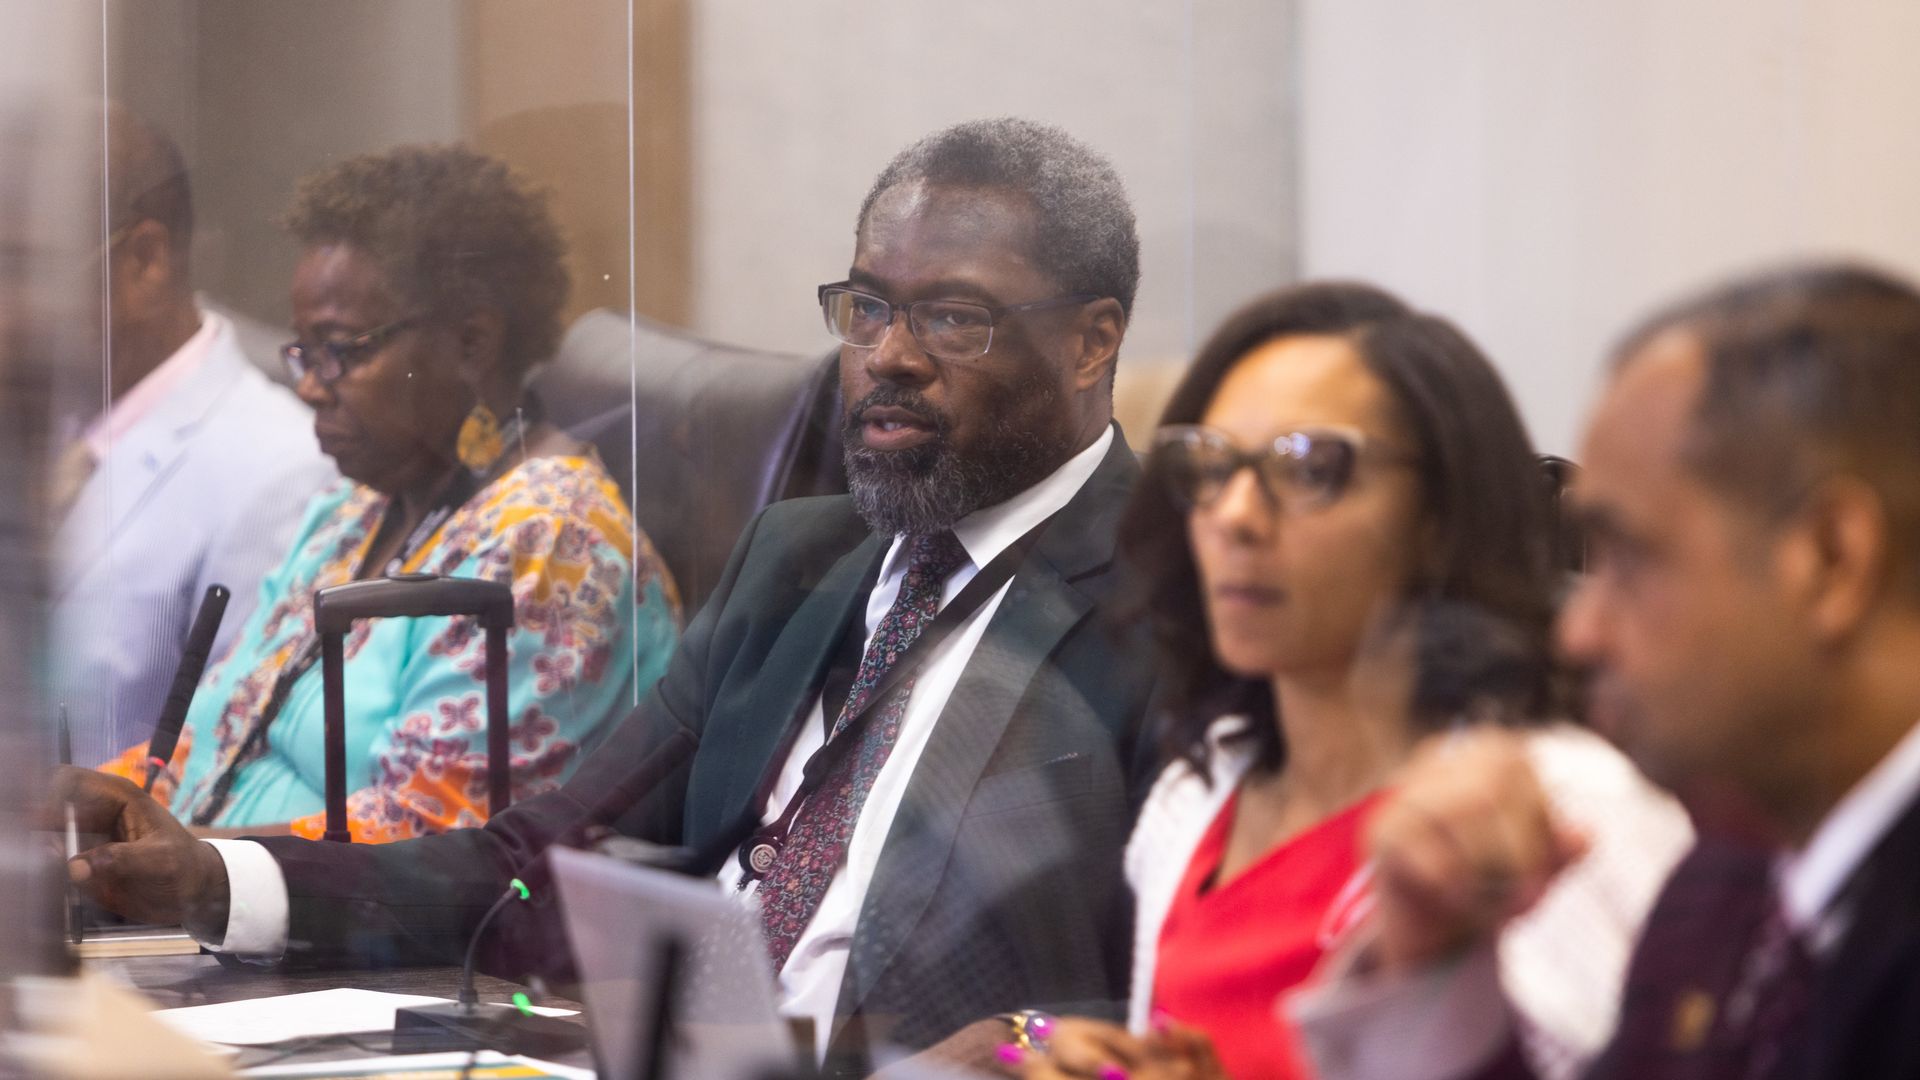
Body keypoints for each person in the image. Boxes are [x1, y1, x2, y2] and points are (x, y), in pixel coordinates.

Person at [60, 117, 1157, 1076]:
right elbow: (539, 860)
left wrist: (1019, 1045)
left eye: (952, 320)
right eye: (867, 309)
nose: (887, 358)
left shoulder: (1171, 603)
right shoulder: (802, 559)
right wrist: (214, 879)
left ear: (1091, 341)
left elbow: (1187, 989)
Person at [1009, 284, 1690, 1080]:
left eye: (1309, 467)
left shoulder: (1568, 812)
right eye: (1211, 464)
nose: (1235, 515)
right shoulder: (1195, 794)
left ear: (1438, 514)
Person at [1290, 262, 1920, 1080]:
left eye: (1627, 558)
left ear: (1830, 560)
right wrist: (1435, 972)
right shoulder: (1722, 897)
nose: (1578, 635)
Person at [99, 144, 680, 841]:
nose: (311, 384)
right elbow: (216, 731)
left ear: (470, 343)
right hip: (218, 916)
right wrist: (103, 805)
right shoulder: (361, 507)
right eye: (304, 351)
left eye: (340, 350)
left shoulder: (552, 542)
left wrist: (182, 862)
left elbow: (435, 834)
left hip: (369, 944)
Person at [50, 104, 334, 766]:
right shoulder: (51, 427)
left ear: (145, 260)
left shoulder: (279, 471)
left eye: (25, 272)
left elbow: (222, 770)